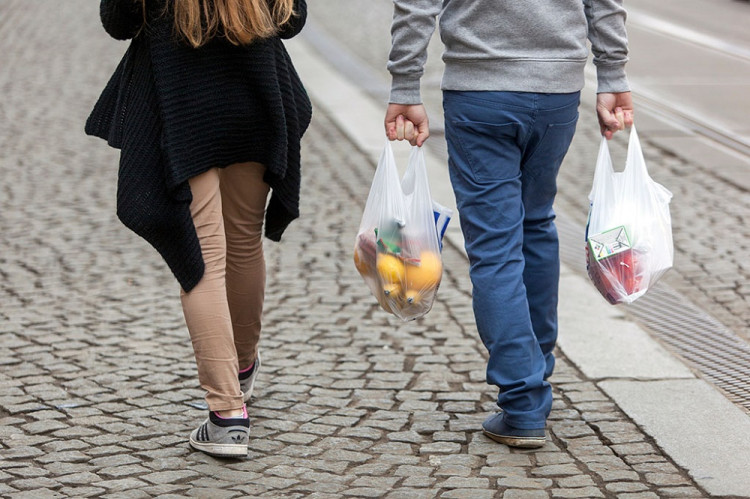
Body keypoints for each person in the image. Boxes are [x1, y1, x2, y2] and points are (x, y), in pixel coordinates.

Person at [385, 0, 634, 448]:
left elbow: (417, 5)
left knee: (496, 247)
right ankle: (535, 372)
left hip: (479, 93)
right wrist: (612, 75)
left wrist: (405, 84)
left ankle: (523, 401)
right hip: (556, 92)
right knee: (536, 224)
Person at [86, 0, 311, 458]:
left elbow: (118, 21)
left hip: (183, 106)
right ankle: (242, 369)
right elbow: (293, 20)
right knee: (244, 241)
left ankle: (227, 414)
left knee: (203, 254)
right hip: (255, 98)